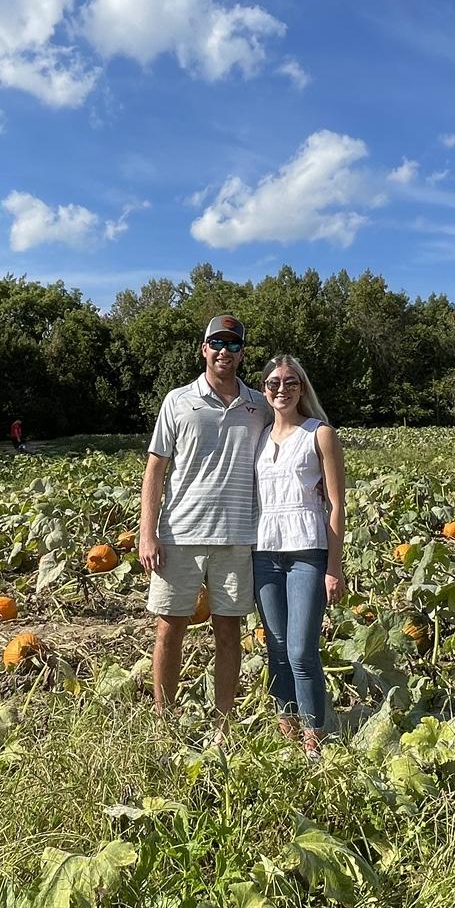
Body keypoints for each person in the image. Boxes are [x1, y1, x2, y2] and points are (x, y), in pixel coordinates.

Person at [139, 315, 273, 735]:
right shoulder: (178, 401)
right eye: (217, 343)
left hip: (238, 537)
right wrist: (147, 532)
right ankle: (165, 720)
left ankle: (223, 724)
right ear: (203, 348)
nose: (224, 352)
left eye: (233, 346)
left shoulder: (259, 405)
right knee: (169, 627)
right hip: (179, 535)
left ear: (242, 354)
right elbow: (155, 470)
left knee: (228, 630)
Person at [253, 356, 346, 760]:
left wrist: (334, 567)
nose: (282, 389)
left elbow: (337, 505)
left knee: (300, 651)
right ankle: (286, 727)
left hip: (308, 552)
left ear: (302, 388)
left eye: (291, 382)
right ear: (264, 389)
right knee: (274, 647)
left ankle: (314, 737)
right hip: (264, 553)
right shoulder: (257, 437)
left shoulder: (319, 434)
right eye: (274, 382)